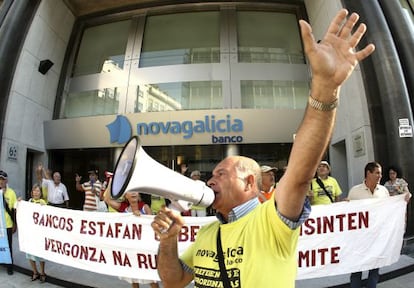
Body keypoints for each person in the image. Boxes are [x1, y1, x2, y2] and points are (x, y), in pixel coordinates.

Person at [151, 9, 376, 287]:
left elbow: (298, 175)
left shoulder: (270, 220)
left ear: (248, 182)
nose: (211, 179)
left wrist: (325, 87)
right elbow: (174, 281)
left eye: (221, 173)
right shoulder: (207, 234)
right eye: (213, 174)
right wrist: (168, 241)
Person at [347, 161, 411, 288]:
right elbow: (349, 214)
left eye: (381, 173)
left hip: (377, 238)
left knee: (375, 270)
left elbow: (389, 210)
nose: (380, 176)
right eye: (377, 173)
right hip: (359, 239)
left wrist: (402, 201)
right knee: (356, 271)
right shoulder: (355, 191)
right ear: (368, 173)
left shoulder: (383, 191)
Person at [105, 190, 159, 288]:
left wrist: (142, 218)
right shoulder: (123, 208)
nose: (134, 193)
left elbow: (153, 225)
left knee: (151, 278)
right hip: (130, 249)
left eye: (136, 191)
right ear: (126, 195)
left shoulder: (145, 207)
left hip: (145, 249)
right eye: (130, 192)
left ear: (139, 194)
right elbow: (107, 199)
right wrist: (111, 180)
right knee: (134, 278)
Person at [24, 184, 47, 282]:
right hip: (30, 232)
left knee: (41, 253)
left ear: (40, 193)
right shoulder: (28, 202)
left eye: (38, 191)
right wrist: (20, 202)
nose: (36, 192)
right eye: (35, 191)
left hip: (39, 232)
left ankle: (42, 272)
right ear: (32, 192)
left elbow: (47, 216)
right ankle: (35, 272)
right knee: (30, 253)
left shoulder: (43, 202)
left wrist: (44, 208)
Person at [0, 170, 17, 275]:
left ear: (6, 181)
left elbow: (14, 210)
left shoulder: (11, 193)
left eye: (2, 179)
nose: (1, 181)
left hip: (8, 224)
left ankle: (9, 266)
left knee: (8, 246)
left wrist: (15, 224)